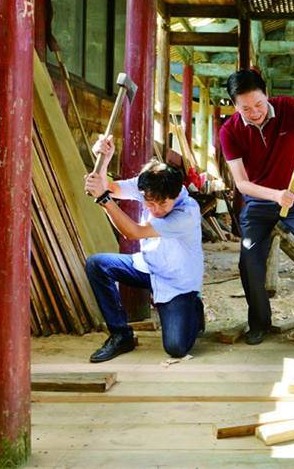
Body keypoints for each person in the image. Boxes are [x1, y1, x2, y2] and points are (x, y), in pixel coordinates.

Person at [219, 69, 294, 353]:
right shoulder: (230, 131)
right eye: (245, 108)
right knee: (249, 261)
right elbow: (242, 184)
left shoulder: (287, 107)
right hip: (260, 199)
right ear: (234, 106)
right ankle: (260, 324)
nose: (254, 112)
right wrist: (275, 195)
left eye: (258, 104)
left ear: (266, 95)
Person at [83, 135, 205, 362]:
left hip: (176, 283)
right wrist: (104, 160)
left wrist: (104, 200)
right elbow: (108, 187)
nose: (156, 209)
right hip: (148, 266)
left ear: (177, 194)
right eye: (149, 203)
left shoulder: (186, 212)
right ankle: (121, 334)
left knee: (176, 348)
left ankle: (193, 307)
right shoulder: (146, 184)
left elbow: (134, 232)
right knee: (97, 264)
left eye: (163, 204)